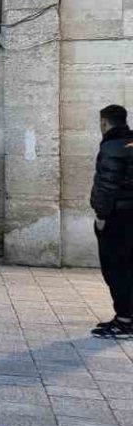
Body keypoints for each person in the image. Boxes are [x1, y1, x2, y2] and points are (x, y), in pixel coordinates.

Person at [90, 105, 133, 338]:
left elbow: (106, 185)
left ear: (104, 122)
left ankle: (124, 321)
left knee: (115, 269)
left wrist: (101, 216)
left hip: (117, 217)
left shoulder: (112, 146)